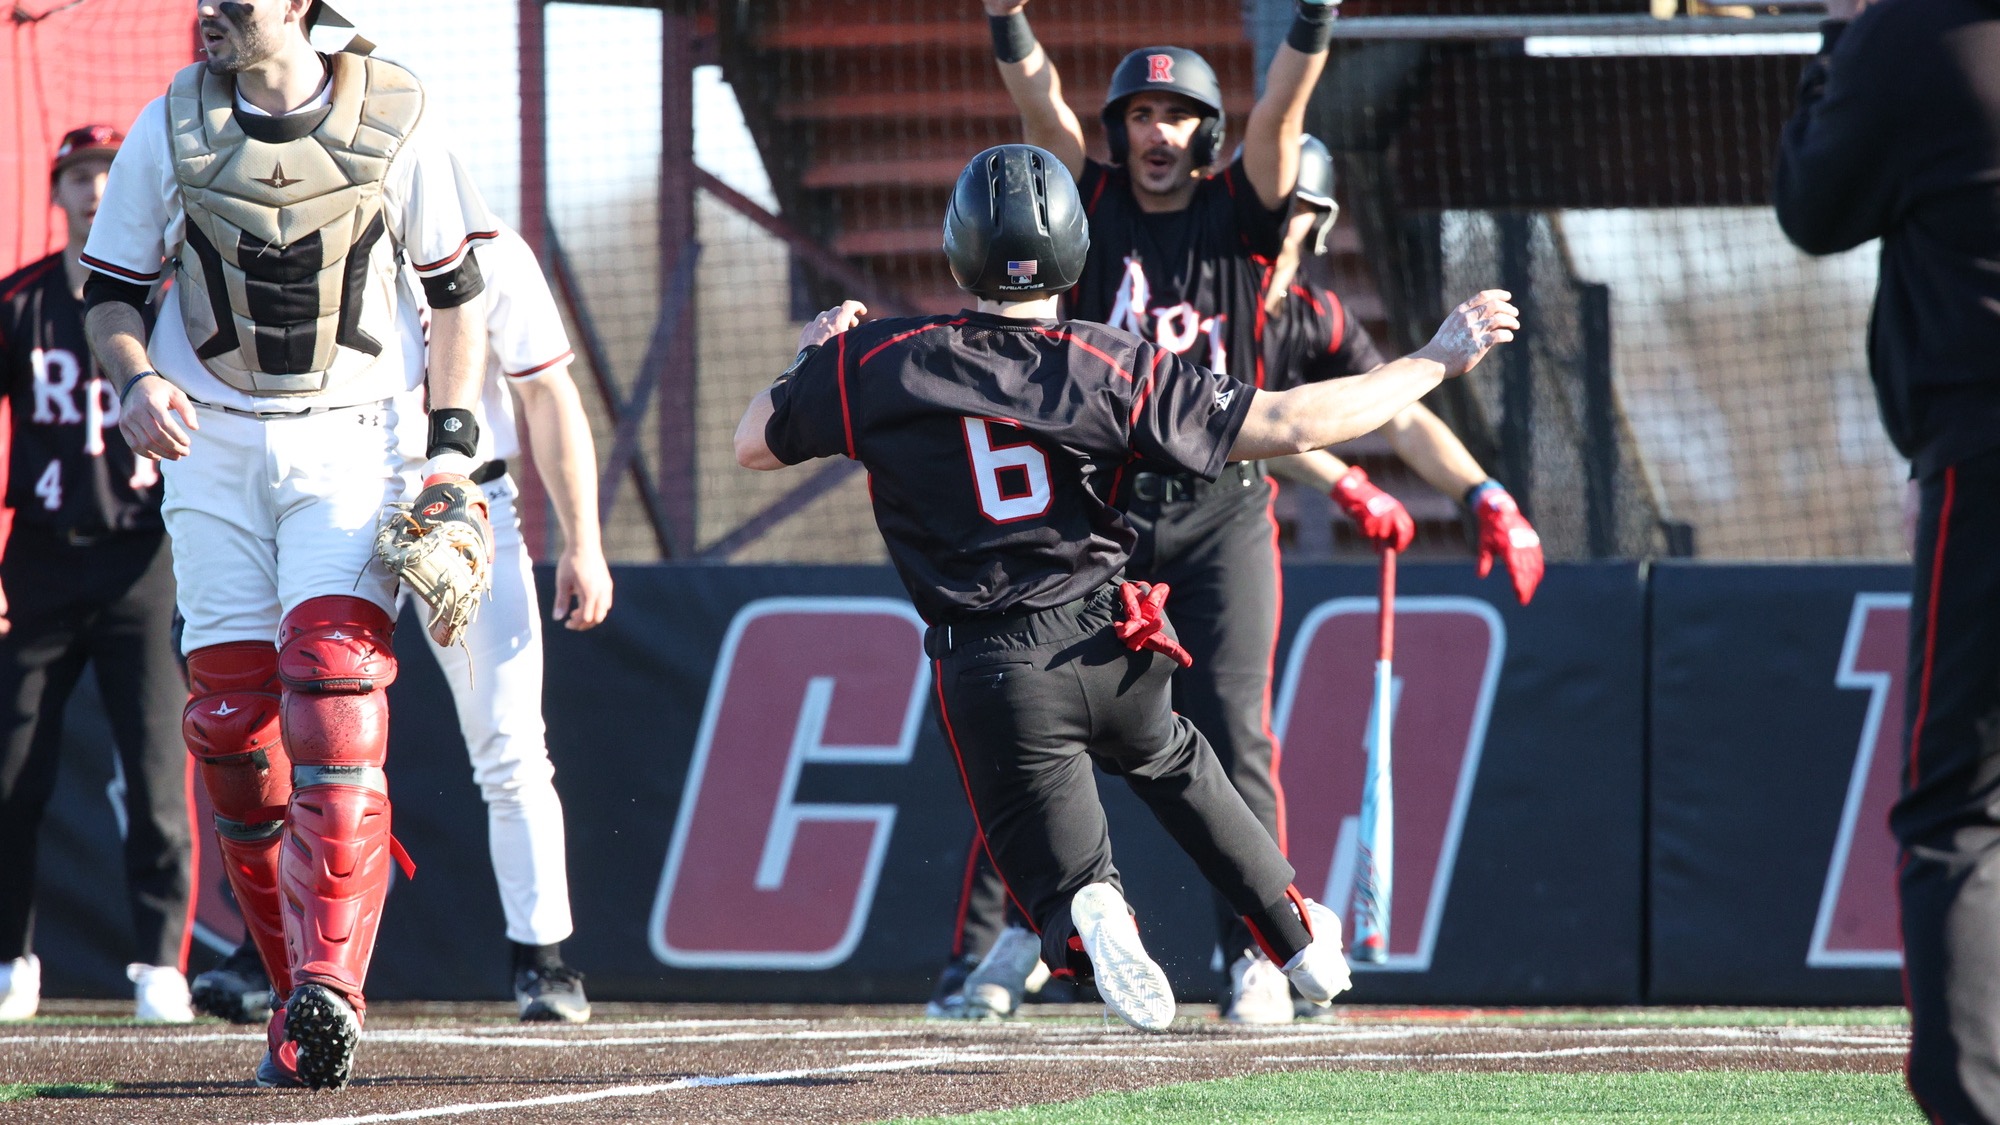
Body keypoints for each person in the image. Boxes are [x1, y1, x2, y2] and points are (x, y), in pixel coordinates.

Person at [736, 144, 1518, 1030]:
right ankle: (1290, 927)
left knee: (1058, 875)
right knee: (1179, 758)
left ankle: (1093, 910)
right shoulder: (1110, 361)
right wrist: (1433, 360)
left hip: (995, 664)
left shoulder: (877, 360)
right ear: (1074, 252)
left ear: (958, 252)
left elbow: (752, 441)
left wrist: (812, 357)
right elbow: (1295, 421)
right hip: (1112, 637)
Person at [83, 0, 495, 1088]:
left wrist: (450, 455)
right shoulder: (168, 122)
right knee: (229, 723)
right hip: (208, 444)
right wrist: (134, 380)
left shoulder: (397, 111)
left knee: (332, 676)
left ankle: (329, 986)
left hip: (355, 440)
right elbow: (112, 293)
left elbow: (457, 297)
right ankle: (292, 1001)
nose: (209, 10)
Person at [190, 221, 611, 1026]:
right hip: (344, 501)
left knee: (511, 742)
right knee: (296, 736)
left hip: (464, 506)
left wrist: (584, 542)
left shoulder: (495, 250)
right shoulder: (328, 227)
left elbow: (547, 391)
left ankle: (545, 959)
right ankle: (272, 951)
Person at [1774, 1, 2000, 1120]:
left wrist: (1835, 39)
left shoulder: (1910, 38)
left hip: (1983, 451)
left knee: (1958, 812)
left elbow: (1813, 208)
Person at [0, 125, 195, 1024]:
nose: (93, 188)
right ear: (57, 193)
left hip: (140, 564)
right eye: (78, 175)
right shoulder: (19, 305)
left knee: (158, 777)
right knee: (12, 773)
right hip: (38, 562)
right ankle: (11, 958)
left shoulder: (168, 304)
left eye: (109, 173)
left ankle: (161, 965)